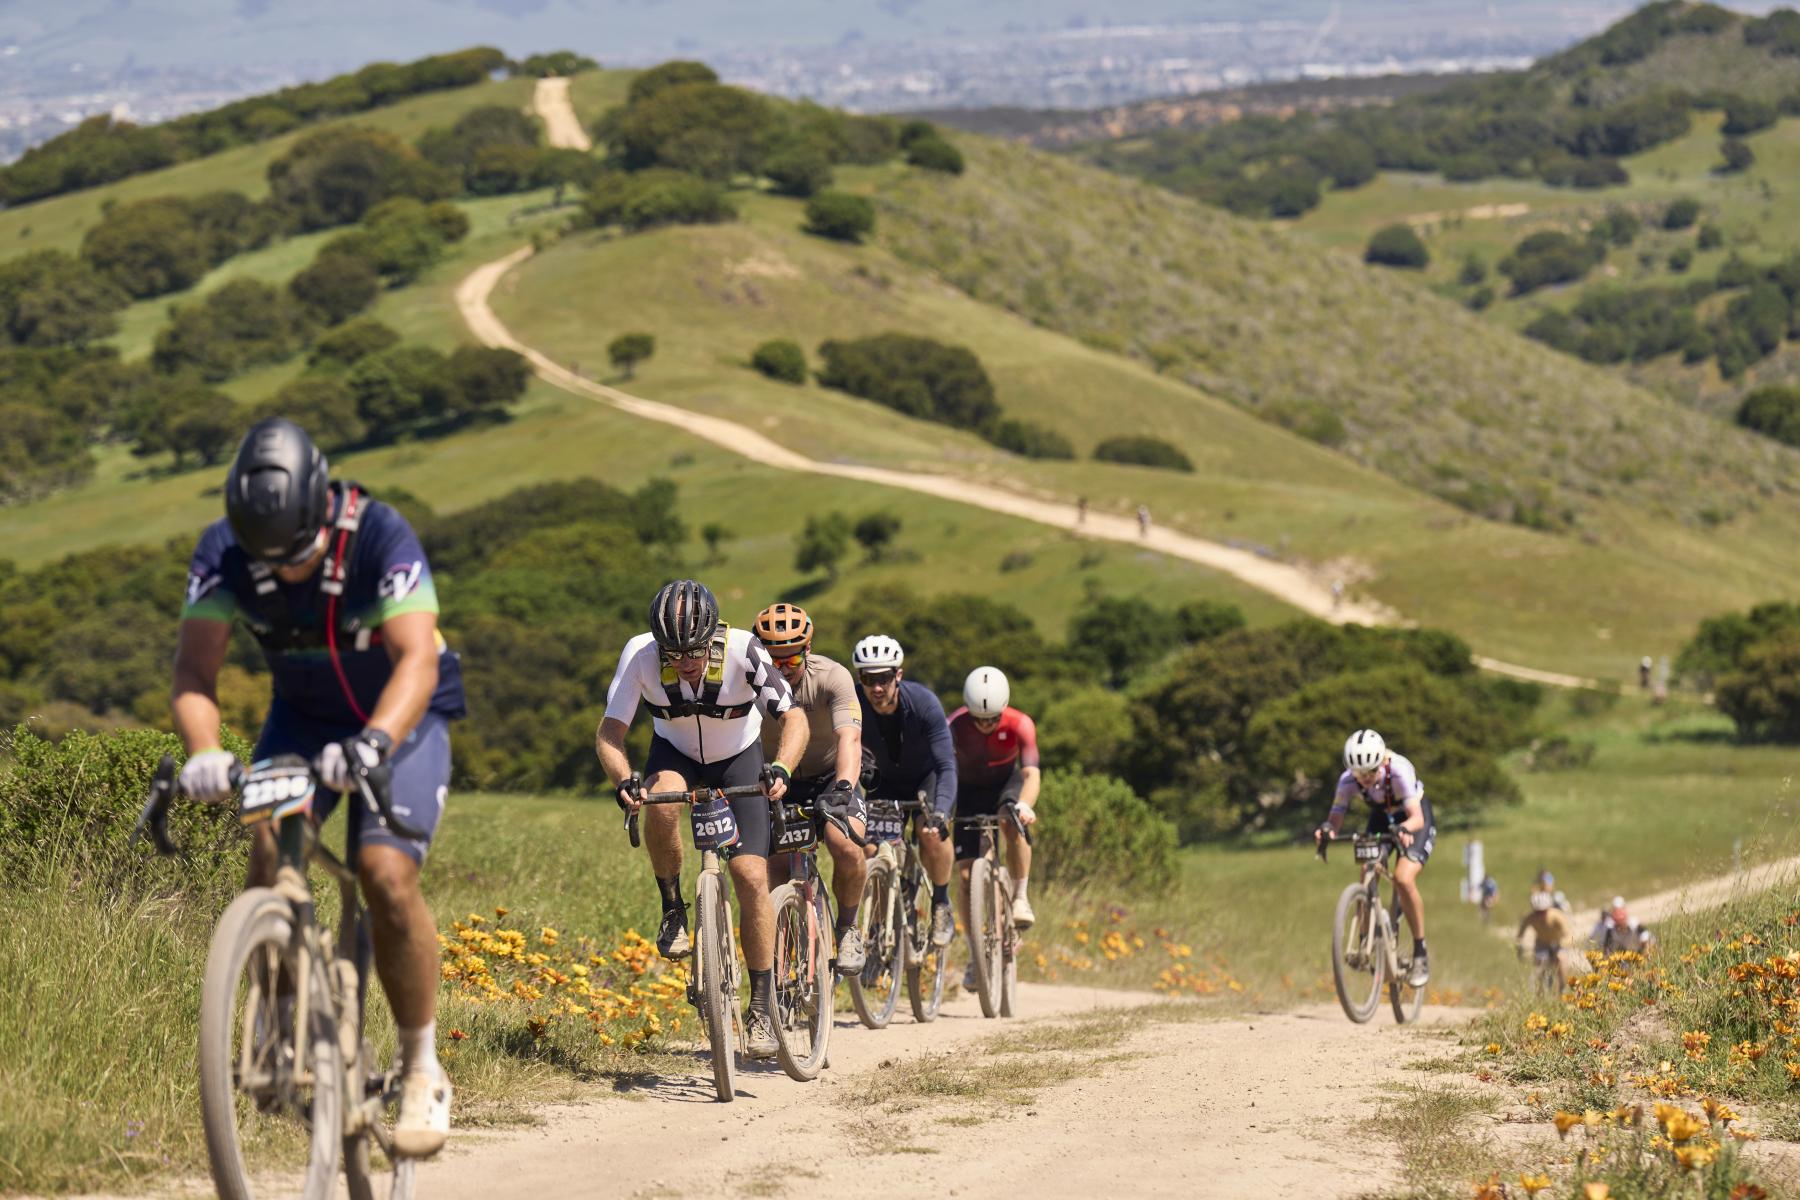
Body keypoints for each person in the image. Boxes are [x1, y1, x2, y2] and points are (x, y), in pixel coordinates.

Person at [172, 419, 463, 1157]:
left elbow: (417, 661)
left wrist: (372, 743)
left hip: (401, 717)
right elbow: (195, 672)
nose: (289, 572)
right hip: (301, 718)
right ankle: (273, 1006)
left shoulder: (380, 533)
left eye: (300, 554)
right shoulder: (223, 551)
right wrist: (205, 752)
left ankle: (423, 1066)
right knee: (266, 845)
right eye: (272, 561)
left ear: (322, 510)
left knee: (384, 876)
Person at [595, 580, 807, 1060]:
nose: (685, 660)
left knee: (750, 874)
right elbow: (609, 733)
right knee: (663, 799)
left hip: (740, 756)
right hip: (675, 753)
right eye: (673, 652)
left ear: (713, 634)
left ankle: (760, 1005)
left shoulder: (744, 650)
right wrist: (624, 779)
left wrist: (783, 768)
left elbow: (794, 719)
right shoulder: (640, 655)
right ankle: (673, 909)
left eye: (694, 649)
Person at [750, 602, 869, 975]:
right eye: (774, 661)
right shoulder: (750, 685)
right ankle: (783, 963)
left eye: (791, 660)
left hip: (830, 777)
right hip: (778, 782)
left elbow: (849, 738)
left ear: (808, 649)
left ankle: (848, 927)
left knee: (845, 844)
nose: (783, 669)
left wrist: (845, 788)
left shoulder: (833, 677)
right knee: (773, 865)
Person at [853, 634, 958, 948]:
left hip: (926, 779)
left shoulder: (924, 704)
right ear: (859, 679)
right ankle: (881, 928)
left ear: (898, 675)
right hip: (884, 783)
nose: (876, 688)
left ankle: (941, 903)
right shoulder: (853, 705)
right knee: (870, 850)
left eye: (883, 678)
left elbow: (946, 766)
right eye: (868, 679)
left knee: (930, 832)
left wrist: (941, 811)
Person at [1314, 728, 1435, 987]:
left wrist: (1404, 829)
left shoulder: (1399, 771)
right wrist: (1327, 830)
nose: (1365, 779)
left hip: (1412, 817)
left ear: (1381, 762)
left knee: (1403, 878)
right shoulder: (1347, 781)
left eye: (1370, 772)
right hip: (1382, 818)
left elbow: (1416, 817)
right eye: (1359, 774)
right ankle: (1363, 942)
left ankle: (1420, 951)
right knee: (1368, 868)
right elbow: (1336, 814)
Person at [948, 666, 1041, 989]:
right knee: (963, 876)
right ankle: (976, 954)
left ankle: (1020, 896)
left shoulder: (1020, 724)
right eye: (978, 719)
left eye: (991, 719)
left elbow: (1031, 773)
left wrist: (1025, 804)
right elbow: (944, 767)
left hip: (1006, 785)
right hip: (969, 791)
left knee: (1010, 819)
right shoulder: (955, 724)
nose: (985, 726)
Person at [1517, 889, 1574, 988]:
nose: (1540, 915)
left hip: (1558, 942)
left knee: (1561, 960)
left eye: (1543, 912)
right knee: (1539, 966)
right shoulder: (1530, 917)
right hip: (1541, 943)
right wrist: (1519, 947)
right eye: (1537, 912)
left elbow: (1568, 934)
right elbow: (1520, 933)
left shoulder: (1556, 916)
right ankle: (1541, 992)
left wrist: (1562, 945)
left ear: (1548, 908)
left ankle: (1562, 987)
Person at [1591, 896, 1655, 956]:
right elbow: (1606, 948)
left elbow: (1647, 940)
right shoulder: (1610, 929)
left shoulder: (1635, 924)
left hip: (1637, 955)